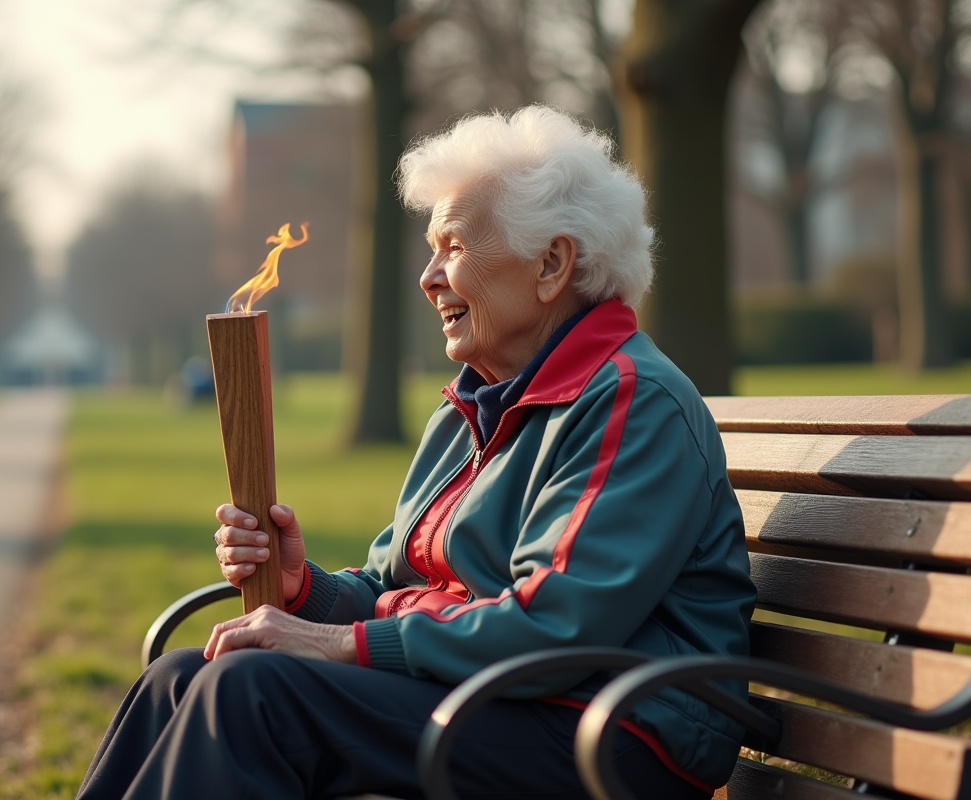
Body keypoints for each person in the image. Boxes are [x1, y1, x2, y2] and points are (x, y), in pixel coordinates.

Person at [77, 105, 756, 800]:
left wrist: (337, 644)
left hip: (608, 731)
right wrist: (303, 591)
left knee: (251, 691)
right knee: (180, 678)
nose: (429, 277)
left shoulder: (630, 401)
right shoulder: (473, 402)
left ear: (552, 264)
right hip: (497, 700)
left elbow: (552, 625)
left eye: (454, 247)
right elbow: (391, 586)